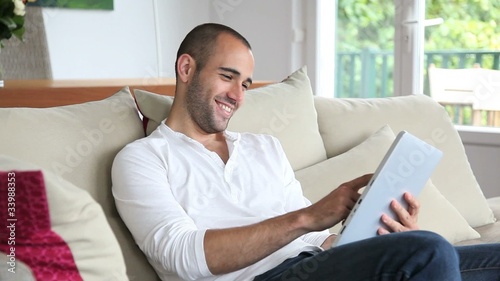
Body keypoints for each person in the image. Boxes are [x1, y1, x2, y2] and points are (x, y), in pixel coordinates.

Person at [112, 23, 500, 281]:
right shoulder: (143, 159)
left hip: (311, 266)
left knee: (462, 255)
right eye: (227, 76)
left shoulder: (264, 148)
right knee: (429, 252)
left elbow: (312, 245)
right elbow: (181, 258)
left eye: (245, 84)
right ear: (186, 68)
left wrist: (383, 235)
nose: (237, 96)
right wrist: (311, 217)